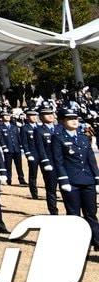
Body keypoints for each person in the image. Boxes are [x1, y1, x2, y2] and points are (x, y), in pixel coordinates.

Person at [50, 106, 99, 250]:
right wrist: (63, 179)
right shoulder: (58, 138)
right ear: (62, 121)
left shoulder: (84, 137)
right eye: (70, 119)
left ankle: (96, 241)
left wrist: (97, 179)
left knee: (91, 214)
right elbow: (58, 160)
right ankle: (79, 244)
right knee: (74, 215)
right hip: (71, 182)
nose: (74, 121)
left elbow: (91, 159)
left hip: (88, 180)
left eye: (75, 118)